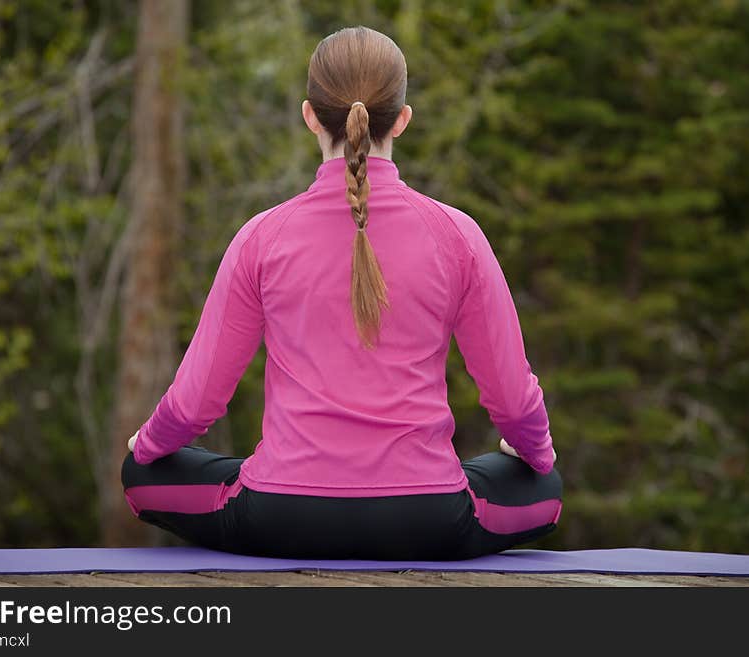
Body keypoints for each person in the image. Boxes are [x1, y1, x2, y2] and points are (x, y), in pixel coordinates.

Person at [121, 25, 561, 560]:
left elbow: (197, 403)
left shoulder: (263, 237)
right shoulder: (457, 235)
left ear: (310, 115)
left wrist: (145, 448)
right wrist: (535, 454)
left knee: (142, 475)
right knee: (543, 489)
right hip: (426, 518)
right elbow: (513, 400)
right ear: (402, 119)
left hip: (283, 515)